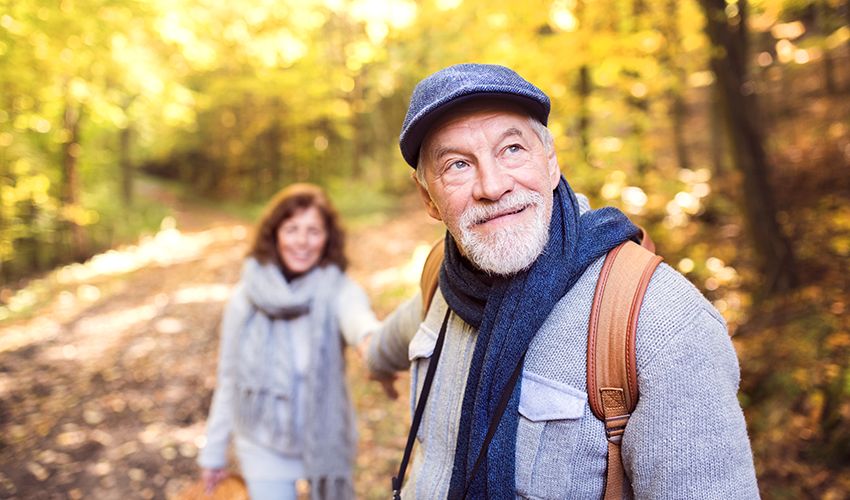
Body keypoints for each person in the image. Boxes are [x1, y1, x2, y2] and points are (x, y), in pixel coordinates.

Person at [361, 64, 760, 499]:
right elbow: (399, 333)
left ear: (551, 163)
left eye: (512, 149)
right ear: (429, 200)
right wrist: (373, 359)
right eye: (457, 164)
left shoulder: (660, 323)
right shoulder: (444, 278)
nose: (492, 186)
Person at [198, 183, 380, 500]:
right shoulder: (245, 299)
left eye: (314, 231)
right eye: (292, 228)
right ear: (274, 234)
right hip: (262, 445)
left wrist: (373, 342)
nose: (301, 241)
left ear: (327, 239)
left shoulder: (337, 288)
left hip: (326, 442)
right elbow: (229, 378)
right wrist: (212, 452)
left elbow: (358, 318)